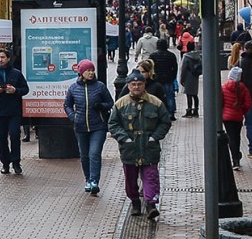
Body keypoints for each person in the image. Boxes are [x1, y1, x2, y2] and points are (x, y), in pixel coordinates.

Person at [110, 71, 172, 220]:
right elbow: (113, 124)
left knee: (150, 176)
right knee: (130, 178)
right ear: (128, 86)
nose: (136, 87)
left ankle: (150, 203)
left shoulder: (155, 103)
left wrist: (154, 137)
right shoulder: (121, 104)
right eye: (133, 84)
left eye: (139, 84)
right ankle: (135, 202)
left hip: (149, 148)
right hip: (129, 149)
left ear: (144, 85)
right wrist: (124, 138)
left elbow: (165, 122)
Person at [64, 60, 114, 195]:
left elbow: (110, 102)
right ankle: (88, 180)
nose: (91, 73)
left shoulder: (100, 87)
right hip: (80, 127)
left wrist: (101, 106)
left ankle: (94, 181)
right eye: (88, 70)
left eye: (92, 70)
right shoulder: (74, 88)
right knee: (84, 155)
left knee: (94, 153)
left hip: (98, 126)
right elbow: (67, 104)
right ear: (81, 73)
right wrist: (73, 117)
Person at [0, 46, 31, 175]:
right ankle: (5, 163)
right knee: (1, 137)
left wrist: (15, 90)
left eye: (3, 57)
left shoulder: (16, 73)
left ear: (8, 58)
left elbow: (25, 89)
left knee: (15, 135)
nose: (0, 60)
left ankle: (16, 162)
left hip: (14, 110)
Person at [222, 66, 251, 169]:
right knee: (236, 137)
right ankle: (236, 158)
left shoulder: (224, 87)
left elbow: (221, 102)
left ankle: (235, 158)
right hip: (238, 116)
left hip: (226, 117)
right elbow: (248, 103)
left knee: (230, 137)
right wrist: (242, 111)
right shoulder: (243, 88)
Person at [148, 38, 179, 119]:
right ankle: (171, 113)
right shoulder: (171, 55)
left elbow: (150, 67)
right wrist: (173, 77)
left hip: (157, 79)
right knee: (170, 96)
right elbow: (175, 68)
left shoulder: (153, 55)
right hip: (168, 78)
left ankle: (157, 112)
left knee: (156, 96)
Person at [179, 42, 202, 118]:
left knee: (189, 95)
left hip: (188, 77)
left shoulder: (186, 57)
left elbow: (183, 69)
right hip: (195, 77)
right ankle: (196, 111)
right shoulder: (198, 56)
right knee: (195, 94)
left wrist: (182, 79)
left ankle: (189, 111)